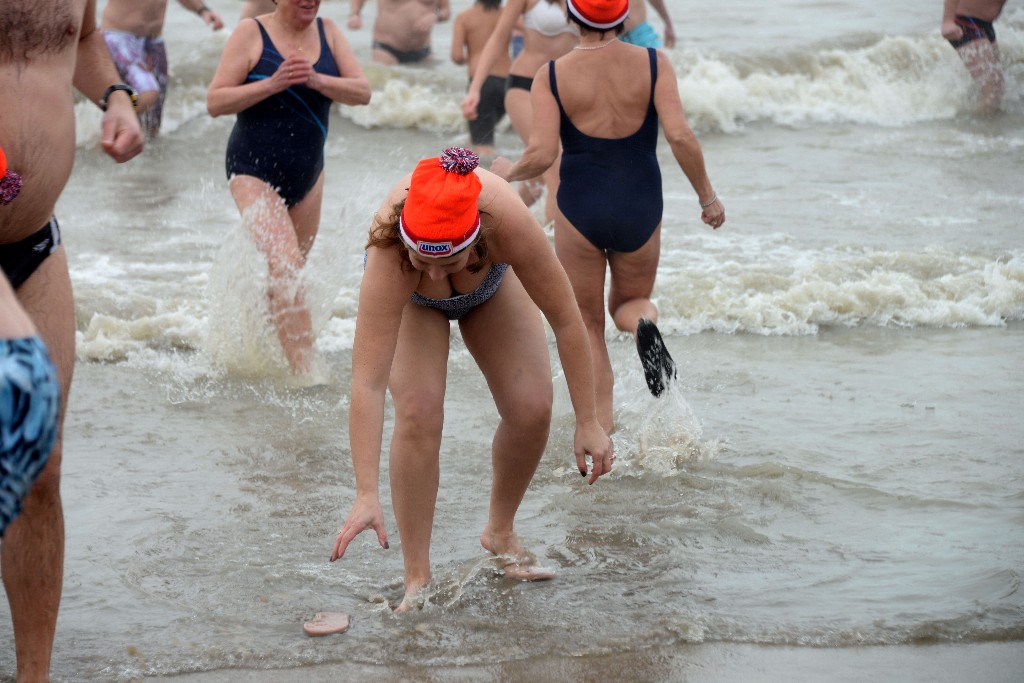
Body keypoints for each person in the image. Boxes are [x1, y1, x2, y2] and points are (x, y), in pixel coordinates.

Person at [324, 147, 614, 617]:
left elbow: (566, 318)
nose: (436, 273)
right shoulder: (390, 253)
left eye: (451, 261)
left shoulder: (506, 218)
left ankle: (500, 531)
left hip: (490, 290)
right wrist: (364, 492)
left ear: (476, 234)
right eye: (425, 260)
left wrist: (588, 419)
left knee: (533, 407)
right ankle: (417, 575)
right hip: (415, 308)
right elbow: (367, 382)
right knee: (418, 413)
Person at [490, 0, 725, 432]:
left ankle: (601, 432)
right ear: (622, 15)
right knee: (629, 303)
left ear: (570, 16)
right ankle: (643, 324)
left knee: (586, 324)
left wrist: (509, 172)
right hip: (640, 204)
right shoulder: (655, 63)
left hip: (579, 209)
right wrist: (707, 197)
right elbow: (679, 135)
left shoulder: (552, 75)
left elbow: (542, 154)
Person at [0, 1, 145, 678]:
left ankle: (35, 674)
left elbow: (81, 37)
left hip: (36, 243)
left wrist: (114, 96)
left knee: (41, 468)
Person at [206, 0, 371, 377]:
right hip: (251, 170)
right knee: (286, 265)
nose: (310, 1)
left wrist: (316, 80)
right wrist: (272, 83)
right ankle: (306, 374)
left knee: (289, 274)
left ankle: (264, 355)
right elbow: (215, 101)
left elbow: (362, 92)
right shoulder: (251, 33)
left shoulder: (329, 31)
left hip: (308, 175)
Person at [462, 0, 579, 223]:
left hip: (567, 90)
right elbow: (498, 39)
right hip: (526, 86)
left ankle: (490, 224)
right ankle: (555, 249)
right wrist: (475, 89)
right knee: (556, 164)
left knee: (539, 175)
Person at [101, 0, 225, 136]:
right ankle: (110, 130)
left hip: (153, 42)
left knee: (153, 122)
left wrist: (203, 10)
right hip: (119, 37)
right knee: (149, 92)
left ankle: (135, 146)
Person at [451, 0, 511, 156]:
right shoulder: (508, 14)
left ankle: (488, 177)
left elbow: (456, 56)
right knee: (486, 133)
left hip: (482, 84)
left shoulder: (464, 17)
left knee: (482, 145)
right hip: (509, 82)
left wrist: (470, 58)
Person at [941, 0, 1007, 113]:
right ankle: (982, 128)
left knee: (995, 87)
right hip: (964, 23)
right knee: (993, 89)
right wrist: (947, 20)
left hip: (985, 25)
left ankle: (967, 118)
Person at [347, 0, 451, 65]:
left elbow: (445, 11)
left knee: (426, 94)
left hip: (423, 51)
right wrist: (355, 14)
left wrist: (435, 15)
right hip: (386, 49)